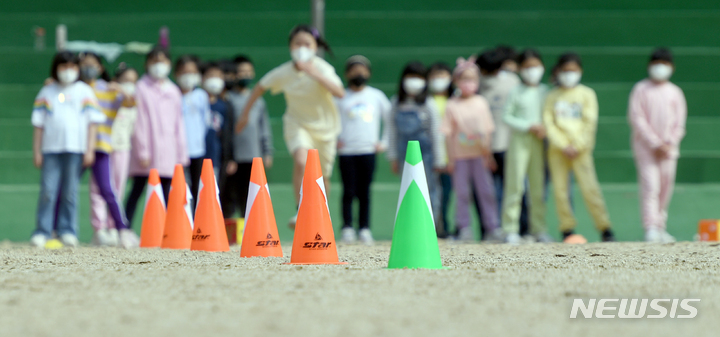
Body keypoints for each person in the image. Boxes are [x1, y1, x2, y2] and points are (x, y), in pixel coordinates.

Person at [235, 24, 344, 229]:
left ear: (315, 47)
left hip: (326, 129)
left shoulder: (323, 68)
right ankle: (300, 209)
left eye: (306, 44)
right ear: (290, 47)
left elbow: (340, 92)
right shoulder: (284, 72)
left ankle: (321, 211)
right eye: (297, 43)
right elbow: (260, 87)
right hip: (297, 124)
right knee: (302, 162)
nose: (301, 47)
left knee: (324, 175)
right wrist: (244, 115)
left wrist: (314, 73)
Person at [30, 51, 105, 248]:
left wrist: (89, 150)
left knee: (70, 192)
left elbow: (93, 123)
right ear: (56, 69)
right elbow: (38, 125)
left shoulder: (84, 91)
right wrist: (36, 151)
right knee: (48, 190)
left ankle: (68, 230)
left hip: (75, 150)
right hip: (50, 150)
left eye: (72, 67)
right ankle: (43, 231)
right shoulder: (47, 92)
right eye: (63, 67)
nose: (68, 71)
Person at [543, 52, 615, 242]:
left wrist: (577, 144)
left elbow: (590, 122)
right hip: (558, 151)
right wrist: (562, 144)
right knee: (560, 191)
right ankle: (567, 229)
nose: (569, 74)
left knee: (590, 189)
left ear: (580, 71)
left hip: (581, 152)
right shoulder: (552, 96)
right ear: (558, 72)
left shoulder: (587, 94)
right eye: (565, 71)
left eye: (573, 71)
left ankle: (605, 228)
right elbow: (548, 122)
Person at [77, 52, 138, 248]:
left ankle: (121, 230)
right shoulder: (76, 89)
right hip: (76, 147)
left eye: (93, 65)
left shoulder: (108, 89)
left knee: (107, 190)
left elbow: (130, 103)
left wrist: (119, 88)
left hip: (101, 146)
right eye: (84, 65)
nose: (89, 68)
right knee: (66, 189)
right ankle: (61, 230)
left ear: (100, 68)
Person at [124, 46, 188, 227]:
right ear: (147, 64)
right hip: (147, 153)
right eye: (154, 61)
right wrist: (143, 151)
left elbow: (179, 124)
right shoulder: (141, 88)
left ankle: (170, 231)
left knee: (168, 191)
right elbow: (139, 122)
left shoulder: (174, 90)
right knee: (137, 190)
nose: (159, 65)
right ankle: (124, 228)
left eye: (163, 61)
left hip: (169, 152)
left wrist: (181, 153)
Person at [440, 57, 502, 242]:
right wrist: (450, 159)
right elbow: (448, 135)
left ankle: (493, 228)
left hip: (479, 157)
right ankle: (464, 228)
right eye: (464, 79)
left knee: (486, 192)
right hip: (460, 158)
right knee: (462, 193)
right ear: (456, 81)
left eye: (472, 79)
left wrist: (488, 155)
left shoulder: (481, 102)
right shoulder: (452, 105)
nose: (468, 83)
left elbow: (488, 131)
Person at [628, 48, 686, 243]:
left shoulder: (675, 92)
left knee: (665, 187)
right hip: (646, 150)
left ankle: (660, 227)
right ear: (649, 66)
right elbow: (637, 118)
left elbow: (679, 122)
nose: (660, 67)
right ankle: (650, 227)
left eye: (665, 63)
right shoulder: (640, 89)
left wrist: (669, 142)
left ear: (672, 68)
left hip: (669, 151)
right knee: (650, 186)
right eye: (656, 63)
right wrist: (655, 143)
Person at [336, 55, 391, 245]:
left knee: (365, 191)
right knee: (348, 190)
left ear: (368, 73)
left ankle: (365, 228)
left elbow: (390, 119)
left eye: (362, 70)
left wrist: (384, 142)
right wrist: (335, 139)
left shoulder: (376, 96)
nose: (358, 74)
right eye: (354, 70)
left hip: (368, 150)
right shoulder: (340, 96)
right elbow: (330, 119)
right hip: (347, 152)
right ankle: (347, 228)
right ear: (346, 74)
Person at [501, 49, 552, 244]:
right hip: (519, 141)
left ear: (543, 68)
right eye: (528, 67)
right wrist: (528, 126)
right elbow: (506, 116)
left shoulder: (545, 92)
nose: (532, 71)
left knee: (538, 188)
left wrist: (544, 129)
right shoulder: (516, 91)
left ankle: (539, 229)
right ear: (521, 69)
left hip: (539, 143)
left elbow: (551, 116)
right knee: (515, 185)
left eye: (536, 66)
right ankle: (510, 229)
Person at [387, 61, 446, 228]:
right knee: (408, 189)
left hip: (426, 152)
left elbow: (436, 132)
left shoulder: (428, 102)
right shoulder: (396, 102)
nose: (414, 81)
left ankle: (430, 225)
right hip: (403, 151)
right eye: (411, 77)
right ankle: (411, 226)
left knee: (430, 189)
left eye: (418, 77)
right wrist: (392, 156)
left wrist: (439, 159)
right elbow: (392, 131)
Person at [476, 48, 523, 238]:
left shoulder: (511, 83)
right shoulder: (476, 85)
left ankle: (508, 229)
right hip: (485, 147)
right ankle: (493, 229)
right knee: (488, 191)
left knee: (510, 190)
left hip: (504, 144)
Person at [222, 55, 273, 220]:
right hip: (234, 158)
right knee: (229, 196)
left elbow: (263, 127)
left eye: (248, 72)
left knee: (250, 197)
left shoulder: (257, 100)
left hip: (254, 157)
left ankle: (249, 230)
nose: (244, 75)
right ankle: (228, 234)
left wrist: (267, 152)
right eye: (241, 71)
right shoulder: (228, 98)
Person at [106, 63, 139, 242]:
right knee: (103, 188)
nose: (129, 85)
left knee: (119, 188)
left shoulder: (133, 103)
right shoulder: (109, 97)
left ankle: (115, 226)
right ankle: (102, 228)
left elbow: (134, 130)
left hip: (123, 149)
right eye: (125, 81)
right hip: (105, 148)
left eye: (133, 81)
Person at [175, 55, 210, 209]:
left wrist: (199, 139)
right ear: (176, 74)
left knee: (196, 186)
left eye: (192, 72)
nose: (188, 76)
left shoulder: (201, 95)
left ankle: (196, 220)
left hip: (197, 149)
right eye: (184, 72)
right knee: (177, 186)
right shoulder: (173, 94)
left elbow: (206, 120)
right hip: (176, 150)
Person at [426, 61, 453, 238]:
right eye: (435, 76)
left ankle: (444, 225)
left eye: (443, 76)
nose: (439, 80)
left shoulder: (455, 99)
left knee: (447, 193)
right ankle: (431, 227)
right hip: (430, 153)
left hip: (452, 154)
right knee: (431, 192)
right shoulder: (426, 101)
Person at [201, 61, 232, 178]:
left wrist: (229, 158)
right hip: (193, 157)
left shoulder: (223, 106)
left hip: (214, 157)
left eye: (218, 76)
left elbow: (226, 134)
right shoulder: (196, 102)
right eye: (211, 75)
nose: (215, 79)